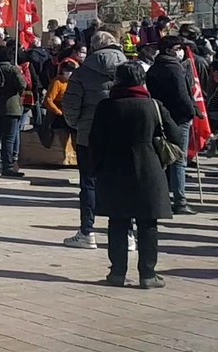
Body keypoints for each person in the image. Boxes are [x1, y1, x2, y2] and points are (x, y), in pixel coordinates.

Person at [90, 63, 174, 288]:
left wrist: (96, 169)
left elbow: (95, 141)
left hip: (114, 169)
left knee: (117, 222)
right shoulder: (153, 106)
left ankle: (117, 273)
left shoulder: (106, 106)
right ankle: (148, 274)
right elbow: (174, 134)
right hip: (149, 169)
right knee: (148, 223)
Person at [60, 30, 126, 246]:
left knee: (88, 184)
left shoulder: (83, 71)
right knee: (121, 184)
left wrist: (77, 124)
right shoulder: (130, 68)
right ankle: (127, 234)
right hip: (122, 134)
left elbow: (70, 104)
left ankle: (87, 232)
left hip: (89, 134)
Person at [145, 35, 198, 215]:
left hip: (160, 117)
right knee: (178, 160)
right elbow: (182, 95)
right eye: (177, 49)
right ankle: (180, 200)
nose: (180, 52)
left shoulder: (154, 68)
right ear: (169, 50)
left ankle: (162, 197)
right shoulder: (173, 68)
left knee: (163, 158)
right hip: (179, 118)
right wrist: (191, 112)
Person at [0, 44, 27, 177]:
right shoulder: (13, 69)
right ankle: (7, 166)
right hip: (11, 108)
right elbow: (23, 85)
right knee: (8, 138)